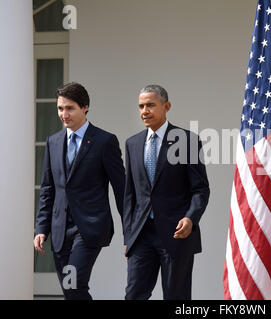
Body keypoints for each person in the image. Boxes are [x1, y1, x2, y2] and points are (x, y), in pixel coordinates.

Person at [33, 82, 125, 300]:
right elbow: (48, 188)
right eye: (60, 108)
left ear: (84, 107)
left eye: (70, 108)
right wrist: (41, 227)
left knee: (73, 283)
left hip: (89, 227)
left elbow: (121, 190)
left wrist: (130, 234)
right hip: (59, 229)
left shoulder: (105, 141)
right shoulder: (53, 142)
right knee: (70, 288)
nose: (64, 114)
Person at [123, 84, 210, 300]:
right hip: (141, 235)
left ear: (167, 106)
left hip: (176, 233)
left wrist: (190, 219)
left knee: (176, 296)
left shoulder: (187, 140)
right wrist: (128, 235)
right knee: (133, 294)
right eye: (141, 106)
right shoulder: (132, 143)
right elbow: (129, 195)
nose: (145, 111)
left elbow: (200, 189)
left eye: (150, 105)